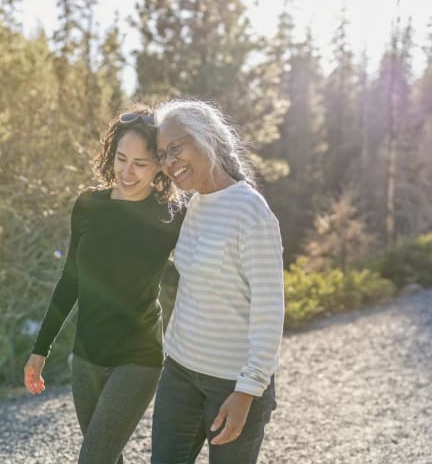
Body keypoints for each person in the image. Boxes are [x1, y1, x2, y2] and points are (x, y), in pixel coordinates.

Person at [23, 107, 182, 464]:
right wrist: (40, 348)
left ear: (159, 166)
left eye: (140, 163)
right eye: (121, 159)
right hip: (86, 358)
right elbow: (70, 280)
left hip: (138, 357)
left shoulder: (170, 216)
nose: (127, 172)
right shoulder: (88, 205)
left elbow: (203, 270)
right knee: (108, 457)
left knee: (93, 458)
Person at [151, 100, 285, 464]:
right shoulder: (194, 205)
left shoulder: (250, 211)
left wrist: (247, 391)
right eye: (162, 154)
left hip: (232, 383)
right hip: (179, 372)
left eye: (176, 148)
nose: (168, 162)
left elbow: (270, 310)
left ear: (207, 137)